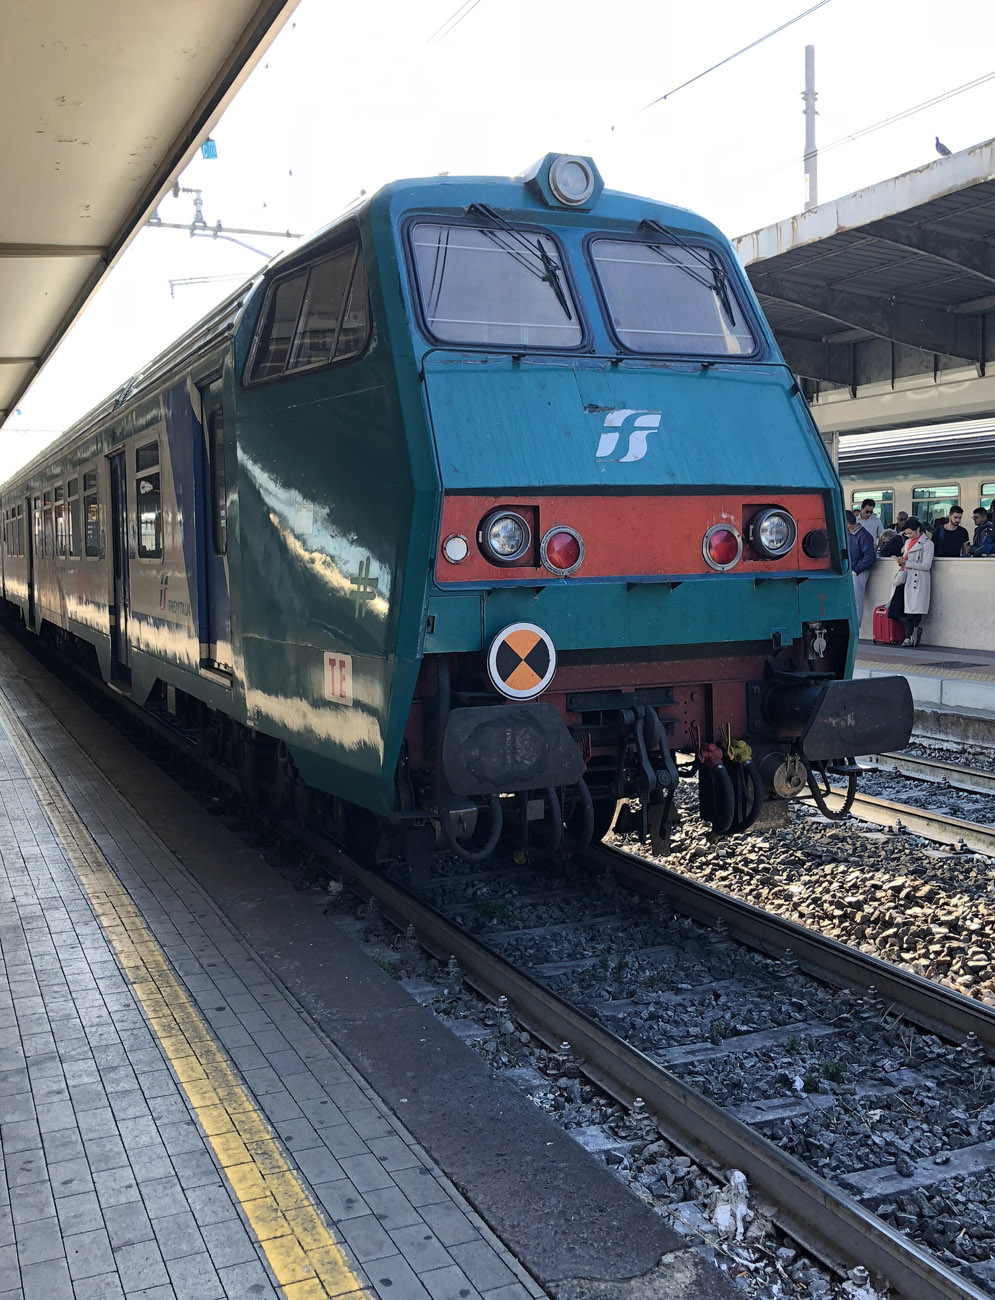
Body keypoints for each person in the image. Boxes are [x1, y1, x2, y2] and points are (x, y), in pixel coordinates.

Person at [886, 517, 934, 646]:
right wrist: (901, 561)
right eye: (906, 534)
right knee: (895, 609)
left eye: (910, 533)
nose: (909, 536)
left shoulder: (927, 544)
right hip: (905, 578)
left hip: (917, 580)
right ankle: (913, 633)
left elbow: (926, 565)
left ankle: (910, 637)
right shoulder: (907, 543)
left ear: (918, 530)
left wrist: (906, 562)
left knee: (913, 612)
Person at [846, 509, 876, 625]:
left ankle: (856, 626)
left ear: (848, 523)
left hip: (858, 572)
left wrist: (856, 569)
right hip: (849, 571)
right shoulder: (848, 534)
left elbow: (870, 557)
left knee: (856, 601)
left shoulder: (864, 535)